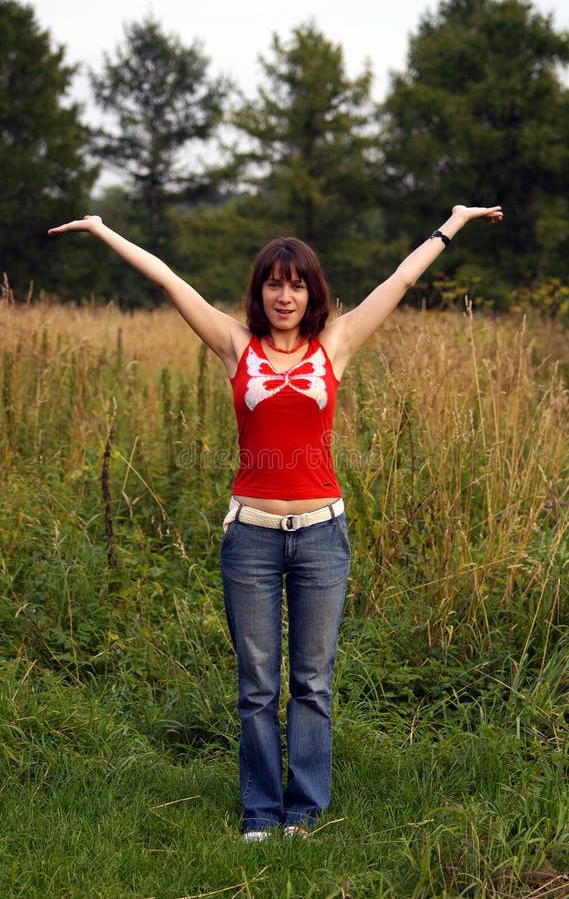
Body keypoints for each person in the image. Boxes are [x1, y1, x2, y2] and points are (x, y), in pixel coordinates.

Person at [48, 203, 503, 840]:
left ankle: (305, 809)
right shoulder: (237, 345)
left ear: (312, 292)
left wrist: (451, 223)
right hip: (252, 537)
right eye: (273, 282)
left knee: (312, 682)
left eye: (297, 283)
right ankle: (261, 810)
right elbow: (168, 279)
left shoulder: (334, 346)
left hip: (321, 534)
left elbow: (399, 281)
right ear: (259, 291)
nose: (285, 294)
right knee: (257, 685)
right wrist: (101, 230)